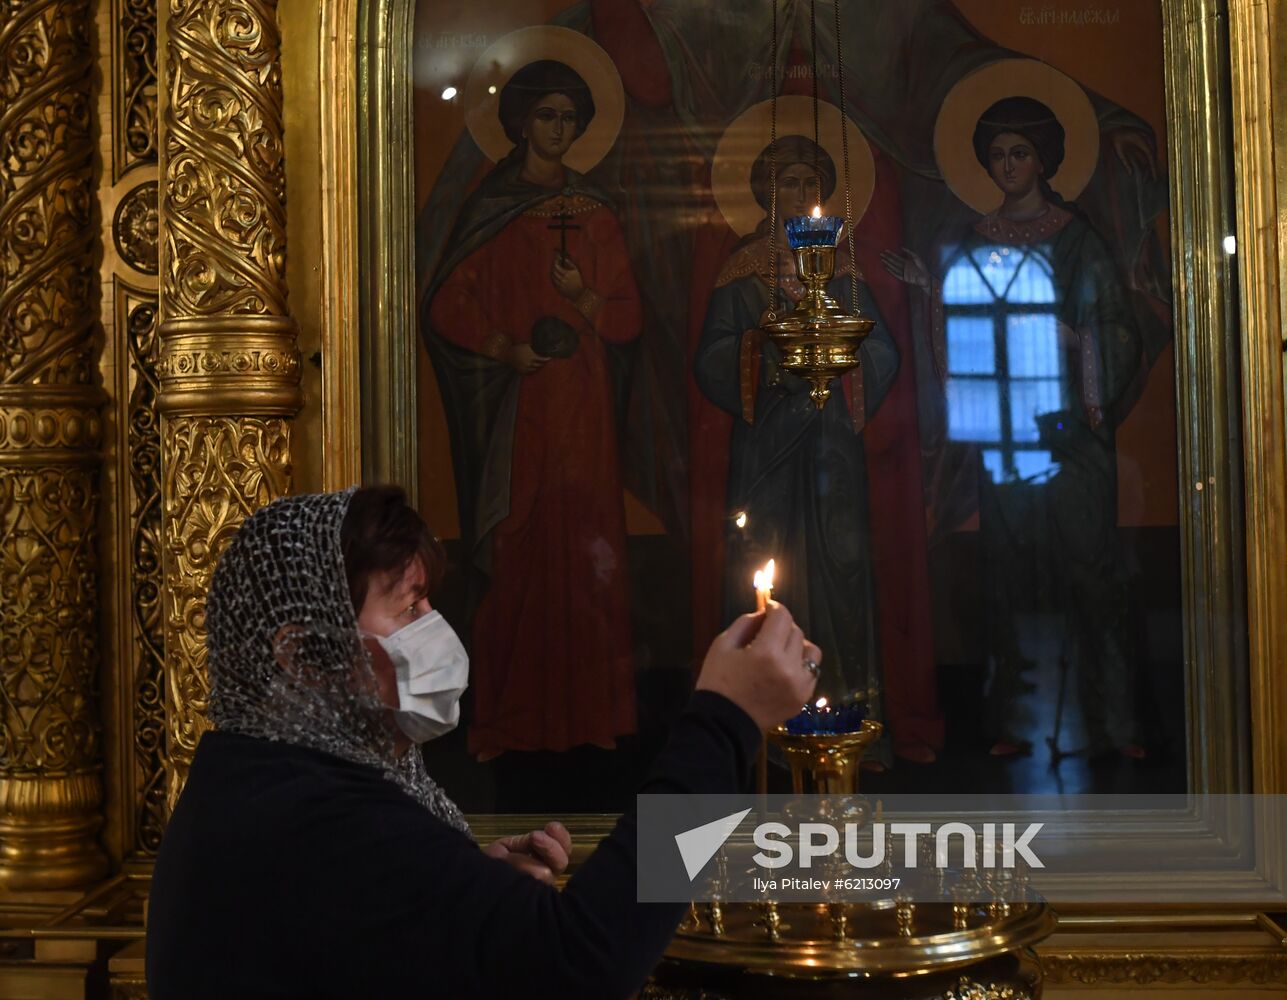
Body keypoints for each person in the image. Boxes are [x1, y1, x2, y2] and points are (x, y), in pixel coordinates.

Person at [146, 486, 820, 998]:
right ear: (301, 653)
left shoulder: (261, 780)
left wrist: (469, 895)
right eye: (407, 606)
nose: (433, 625)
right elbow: (585, 964)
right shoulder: (313, 816)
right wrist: (725, 721)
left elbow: (363, 932)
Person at [881, 97, 1144, 758]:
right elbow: (967, 326)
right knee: (1007, 576)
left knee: (1090, 574)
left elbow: (1115, 327)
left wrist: (1074, 340)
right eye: (996, 154)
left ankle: (1113, 727)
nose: (1007, 165)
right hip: (1007, 433)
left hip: (1071, 436)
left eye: (1018, 153)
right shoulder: (976, 240)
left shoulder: (1077, 239)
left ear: (1043, 159)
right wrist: (929, 294)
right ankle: (1014, 728)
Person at [423, 60, 643, 759]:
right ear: (521, 122)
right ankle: (507, 721)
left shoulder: (597, 214)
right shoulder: (493, 209)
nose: (558, 128)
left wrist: (583, 299)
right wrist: (504, 348)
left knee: (586, 551)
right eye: (546, 115)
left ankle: (592, 718)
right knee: (517, 546)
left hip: (583, 410)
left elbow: (629, 318)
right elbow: (448, 302)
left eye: (569, 117)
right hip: (519, 408)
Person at [694, 136, 898, 759]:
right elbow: (712, 358)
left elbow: (882, 353)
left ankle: (844, 716)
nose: (802, 195)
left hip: (832, 450)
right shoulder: (741, 272)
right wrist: (772, 361)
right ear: (765, 192)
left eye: (812, 185)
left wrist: (837, 362)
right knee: (767, 561)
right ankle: (762, 735)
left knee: (839, 568)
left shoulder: (845, 275)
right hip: (768, 451)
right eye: (789, 183)